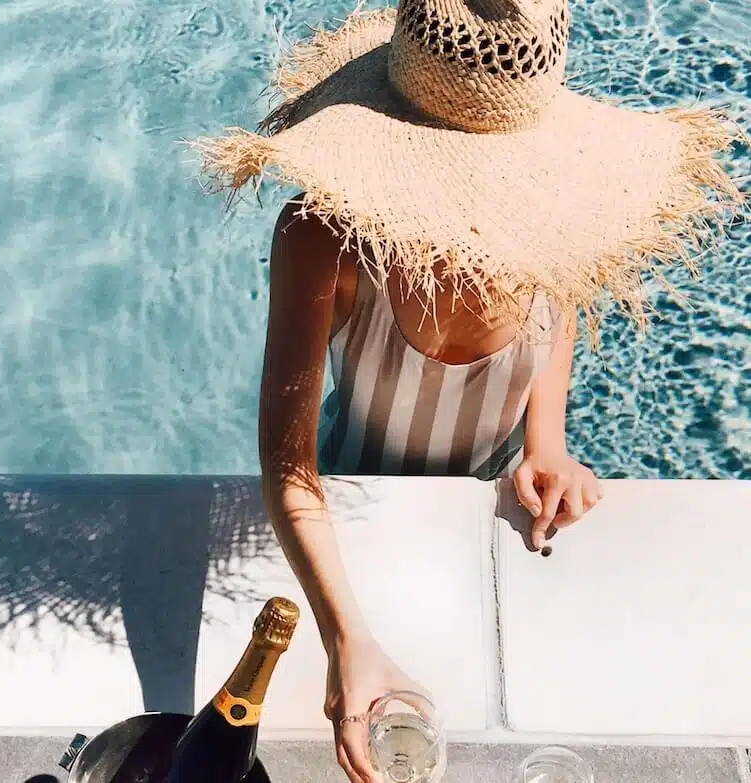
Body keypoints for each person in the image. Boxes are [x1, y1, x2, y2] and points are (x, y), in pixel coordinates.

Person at [189, 0, 745, 779]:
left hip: (482, 508)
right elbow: (291, 469)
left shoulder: (559, 218)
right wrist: (348, 640)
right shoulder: (323, 239)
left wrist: (547, 444)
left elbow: (556, 315)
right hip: (351, 506)